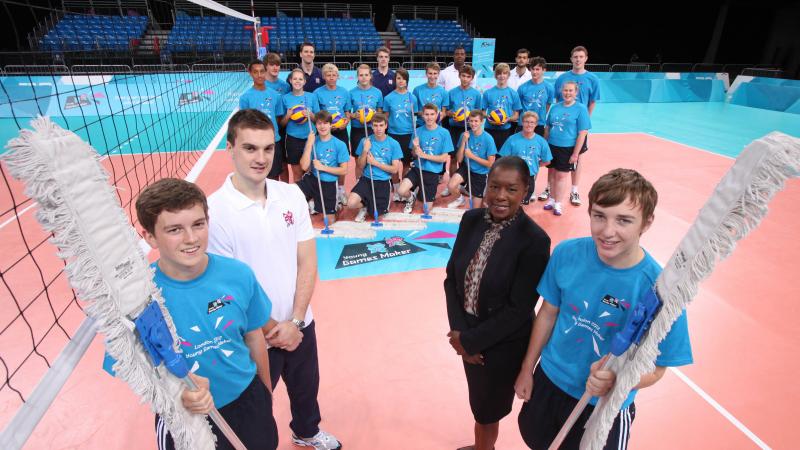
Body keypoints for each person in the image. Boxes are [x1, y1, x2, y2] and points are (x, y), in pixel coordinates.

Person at [515, 169, 693, 450]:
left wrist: (616, 379)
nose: (607, 232)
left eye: (623, 220)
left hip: (603, 406)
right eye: (599, 216)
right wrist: (527, 369)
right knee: (536, 441)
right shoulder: (567, 253)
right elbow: (548, 312)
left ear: (647, 222)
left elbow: (658, 368)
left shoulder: (660, 292)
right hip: (549, 381)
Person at [207, 109, 342, 450]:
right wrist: (273, 329)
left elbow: (307, 261)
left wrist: (296, 321)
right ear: (230, 148)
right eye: (250, 148)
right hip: (252, 333)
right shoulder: (214, 211)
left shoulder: (291, 195)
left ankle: (307, 432)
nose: (261, 158)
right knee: (254, 408)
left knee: (306, 387)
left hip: (299, 322)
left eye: (268, 149)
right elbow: (230, 289)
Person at [135, 177, 279, 450]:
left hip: (248, 400)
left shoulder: (238, 274)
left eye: (198, 224)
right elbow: (139, 372)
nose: (191, 239)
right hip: (186, 415)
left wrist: (265, 394)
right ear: (150, 237)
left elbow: (253, 337)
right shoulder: (141, 298)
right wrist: (177, 394)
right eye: (175, 229)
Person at [444, 156, 551, 450]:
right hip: (466, 335)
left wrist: (472, 342)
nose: (500, 196)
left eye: (512, 189)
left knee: (488, 410)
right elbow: (451, 279)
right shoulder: (471, 220)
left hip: (501, 345)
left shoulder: (534, 241)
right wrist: (460, 335)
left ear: (526, 190)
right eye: (495, 187)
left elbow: (519, 309)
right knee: (479, 405)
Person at [543, 46, 600, 206]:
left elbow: (593, 101)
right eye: (575, 56)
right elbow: (556, 101)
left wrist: (584, 123)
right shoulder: (563, 78)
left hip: (579, 125)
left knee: (577, 157)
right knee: (553, 159)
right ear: (571, 58)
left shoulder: (593, 79)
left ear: (586, 58)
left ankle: (574, 190)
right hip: (563, 124)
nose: (578, 59)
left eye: (581, 56)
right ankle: (549, 188)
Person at [542, 81, 590, 216]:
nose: (567, 93)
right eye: (565, 90)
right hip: (552, 145)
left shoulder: (581, 109)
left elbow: (582, 133)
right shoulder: (555, 107)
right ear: (561, 92)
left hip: (567, 148)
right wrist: (544, 145)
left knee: (561, 175)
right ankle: (551, 199)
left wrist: (575, 153)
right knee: (551, 173)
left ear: (576, 93)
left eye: (570, 91)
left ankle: (558, 203)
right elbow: (548, 127)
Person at [396, 103, 453, 214]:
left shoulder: (444, 133)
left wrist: (424, 155)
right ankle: (411, 197)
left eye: (432, 114)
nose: (429, 117)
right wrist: (415, 147)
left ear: (437, 115)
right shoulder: (417, 131)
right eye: (426, 114)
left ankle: (420, 192)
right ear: (422, 115)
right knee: (401, 191)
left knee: (426, 209)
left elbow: (443, 158)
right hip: (417, 169)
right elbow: (414, 155)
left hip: (432, 172)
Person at [346, 112, 403, 222]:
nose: (378, 129)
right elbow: (360, 165)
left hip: (383, 182)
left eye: (381, 125)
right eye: (375, 125)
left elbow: (394, 169)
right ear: (371, 126)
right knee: (351, 203)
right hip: (367, 179)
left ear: (386, 125)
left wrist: (375, 163)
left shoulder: (393, 144)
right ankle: (364, 207)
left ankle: (370, 204)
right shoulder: (365, 141)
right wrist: (365, 150)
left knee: (378, 217)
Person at [297, 111, 349, 221]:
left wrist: (323, 167)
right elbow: (304, 167)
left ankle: (336, 208)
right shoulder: (312, 141)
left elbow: (344, 171)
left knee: (330, 221)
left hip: (328, 183)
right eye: (319, 123)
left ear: (331, 125)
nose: (322, 126)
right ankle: (313, 201)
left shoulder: (339, 144)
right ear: (315, 125)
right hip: (313, 179)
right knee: (293, 194)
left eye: (325, 123)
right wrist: (309, 145)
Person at [240, 59, 286, 181]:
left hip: (273, 141)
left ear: (266, 72)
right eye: (256, 72)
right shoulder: (245, 97)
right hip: (255, 143)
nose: (259, 75)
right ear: (250, 73)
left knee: (274, 176)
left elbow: (278, 117)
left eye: (262, 71)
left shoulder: (275, 95)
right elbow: (244, 123)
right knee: (257, 176)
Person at [313, 64, 352, 204]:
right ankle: (324, 188)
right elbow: (318, 115)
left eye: (334, 75)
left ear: (338, 76)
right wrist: (327, 127)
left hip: (340, 131)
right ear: (323, 76)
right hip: (324, 132)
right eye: (328, 75)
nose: (331, 77)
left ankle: (340, 190)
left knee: (341, 161)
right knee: (325, 158)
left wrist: (345, 122)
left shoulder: (344, 92)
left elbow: (347, 112)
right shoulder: (317, 93)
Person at [446, 109, 496, 209]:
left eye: (476, 121)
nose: (473, 124)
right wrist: (464, 142)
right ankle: (460, 199)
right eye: (471, 121)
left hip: (481, 173)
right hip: (467, 167)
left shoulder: (488, 139)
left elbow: (490, 164)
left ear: (482, 122)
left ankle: (480, 195)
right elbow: (459, 160)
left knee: (476, 208)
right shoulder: (464, 135)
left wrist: (472, 156)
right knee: (451, 185)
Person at [499, 112, 552, 204]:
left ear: (536, 124)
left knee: (522, 202)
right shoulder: (512, 139)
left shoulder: (541, 141)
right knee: (511, 201)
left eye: (532, 122)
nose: (529, 125)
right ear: (522, 123)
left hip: (529, 177)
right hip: (513, 176)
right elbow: (503, 158)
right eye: (526, 122)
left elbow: (547, 161)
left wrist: (535, 165)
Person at [383, 68, 417, 197]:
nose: (401, 81)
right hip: (393, 134)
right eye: (398, 78)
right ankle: (397, 189)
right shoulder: (388, 98)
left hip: (408, 134)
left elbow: (415, 117)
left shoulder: (412, 98)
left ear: (407, 80)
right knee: (394, 164)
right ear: (394, 80)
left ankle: (404, 187)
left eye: (403, 78)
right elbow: (386, 117)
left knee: (407, 163)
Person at [281, 68, 320, 183]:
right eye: (295, 79)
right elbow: (282, 124)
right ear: (290, 80)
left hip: (310, 138)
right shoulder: (285, 98)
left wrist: (311, 115)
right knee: (297, 171)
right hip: (293, 139)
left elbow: (318, 120)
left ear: (304, 81)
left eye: (300, 79)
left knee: (310, 170)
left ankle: (311, 198)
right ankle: (300, 197)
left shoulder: (312, 97)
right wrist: (288, 116)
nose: (297, 81)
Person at [349, 63, 385, 175]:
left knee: (373, 157)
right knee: (359, 160)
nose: (363, 77)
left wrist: (374, 115)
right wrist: (354, 115)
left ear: (370, 76)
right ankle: (359, 184)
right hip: (357, 130)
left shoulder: (377, 92)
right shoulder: (351, 93)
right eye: (361, 75)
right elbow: (347, 114)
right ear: (357, 77)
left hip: (372, 129)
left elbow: (380, 111)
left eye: (366, 75)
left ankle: (373, 181)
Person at [482, 63, 522, 151]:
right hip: (489, 128)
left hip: (505, 130)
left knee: (502, 157)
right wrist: (488, 118)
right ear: (495, 75)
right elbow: (482, 112)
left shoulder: (513, 93)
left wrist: (507, 119)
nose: (502, 76)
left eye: (504, 73)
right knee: (489, 154)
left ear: (508, 75)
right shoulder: (488, 93)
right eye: (499, 73)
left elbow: (516, 115)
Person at [447, 65, 483, 151]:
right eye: (463, 76)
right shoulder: (451, 92)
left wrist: (469, 116)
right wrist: (453, 114)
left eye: (468, 77)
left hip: (470, 128)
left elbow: (479, 113)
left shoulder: (476, 94)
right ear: (459, 76)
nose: (465, 79)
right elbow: (447, 111)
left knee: (468, 152)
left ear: (472, 78)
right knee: (454, 154)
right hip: (454, 128)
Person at [516, 57, 554, 135]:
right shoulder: (522, 87)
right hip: (524, 124)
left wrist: (539, 116)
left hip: (539, 124)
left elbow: (547, 105)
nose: (534, 72)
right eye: (533, 69)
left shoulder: (549, 88)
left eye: (537, 69)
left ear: (544, 70)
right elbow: (518, 107)